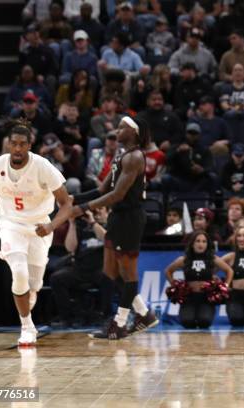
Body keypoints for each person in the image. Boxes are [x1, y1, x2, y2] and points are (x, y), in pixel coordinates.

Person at [0, 120, 73, 346]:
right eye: (13, 144)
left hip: (39, 227)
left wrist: (51, 226)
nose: (17, 148)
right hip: (10, 225)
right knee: (19, 272)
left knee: (34, 283)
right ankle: (27, 327)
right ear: (8, 144)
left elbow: (66, 204)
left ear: (30, 146)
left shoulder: (43, 167)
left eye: (22, 144)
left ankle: (31, 294)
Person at [71, 117, 159, 339]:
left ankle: (119, 323)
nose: (116, 130)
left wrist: (83, 208)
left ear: (135, 132)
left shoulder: (136, 157)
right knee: (110, 271)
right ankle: (144, 313)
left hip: (130, 217)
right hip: (117, 217)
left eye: (122, 127)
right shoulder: (121, 156)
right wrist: (74, 198)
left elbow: (118, 194)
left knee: (128, 273)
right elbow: (102, 189)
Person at [50, 207, 108, 327]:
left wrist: (93, 223)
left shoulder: (109, 226)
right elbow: (70, 248)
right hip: (79, 269)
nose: (96, 214)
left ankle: (104, 315)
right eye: (94, 212)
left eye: (100, 211)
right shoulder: (80, 227)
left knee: (110, 278)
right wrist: (72, 224)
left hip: (100, 269)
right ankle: (66, 317)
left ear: (108, 212)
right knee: (57, 278)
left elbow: (107, 240)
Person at [165, 231, 234, 328]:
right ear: (192, 243)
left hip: (206, 298)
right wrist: (174, 285)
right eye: (197, 241)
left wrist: (225, 286)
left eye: (204, 241)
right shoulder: (184, 259)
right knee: (187, 322)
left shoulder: (213, 258)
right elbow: (168, 271)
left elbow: (229, 271)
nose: (201, 244)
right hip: (189, 298)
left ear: (207, 244)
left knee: (204, 321)